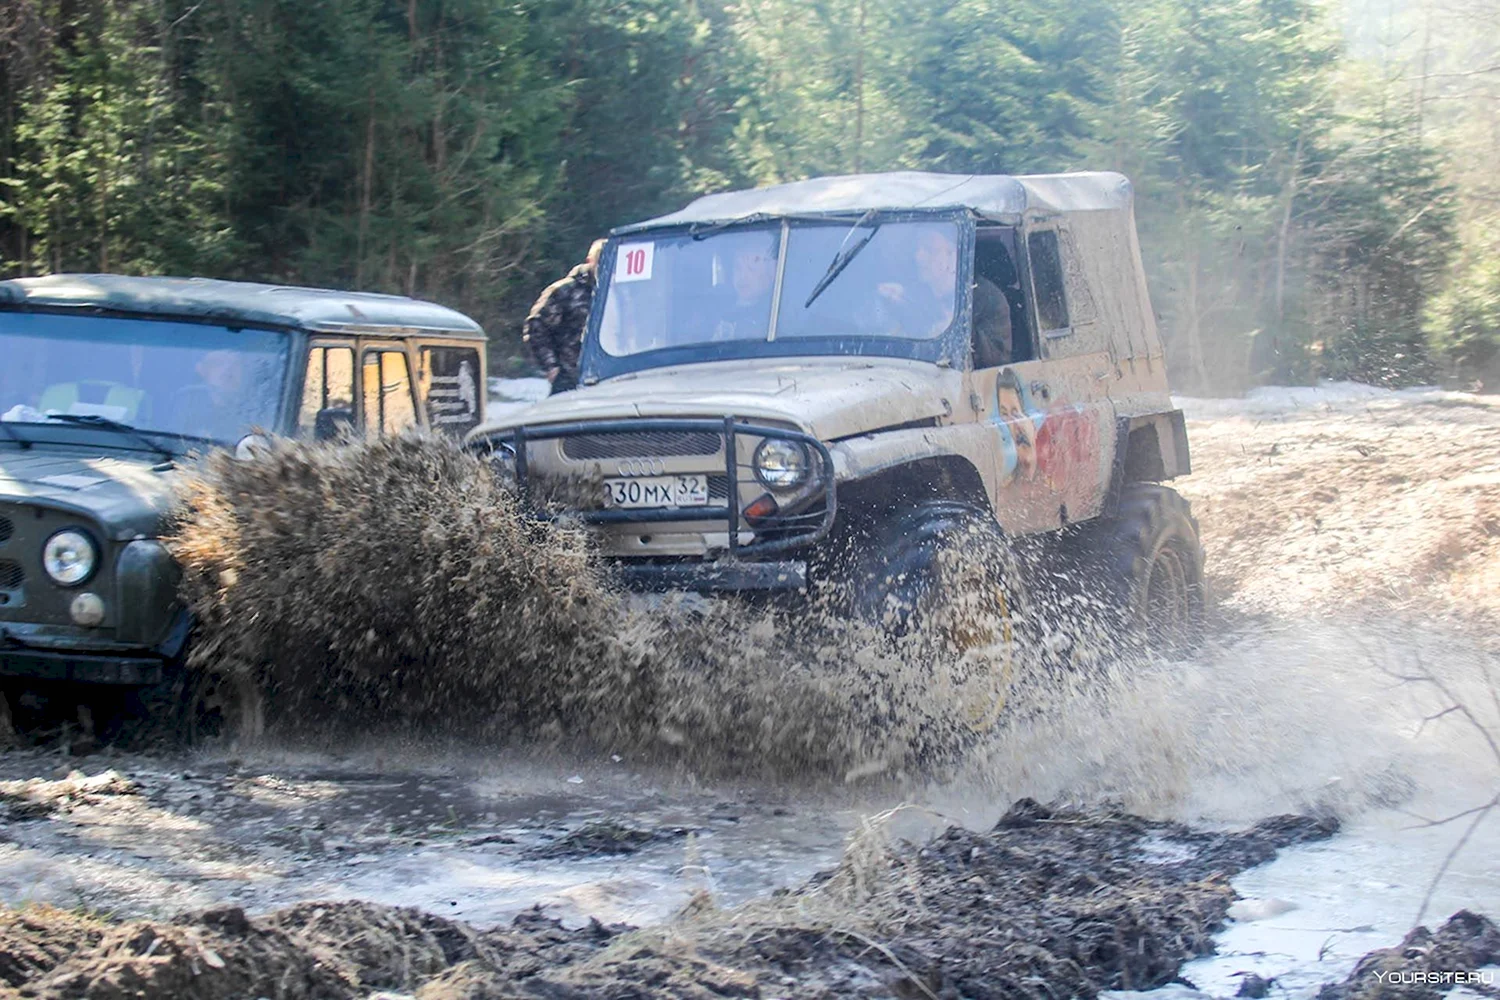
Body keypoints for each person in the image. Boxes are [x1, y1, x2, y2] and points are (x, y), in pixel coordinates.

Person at [523, 238, 605, 394]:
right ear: (590, 260)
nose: (604, 265)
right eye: (600, 259)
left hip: (609, 378)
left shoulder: (619, 294)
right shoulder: (565, 291)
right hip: (570, 378)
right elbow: (536, 326)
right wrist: (551, 367)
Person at [874, 227, 960, 337]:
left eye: (929, 249)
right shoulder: (910, 295)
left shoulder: (980, 296)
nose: (918, 257)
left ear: (953, 255)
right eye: (916, 249)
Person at [710, 239, 777, 342]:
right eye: (738, 268)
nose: (742, 277)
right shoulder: (717, 308)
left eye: (751, 269)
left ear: (771, 273)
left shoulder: (775, 311)